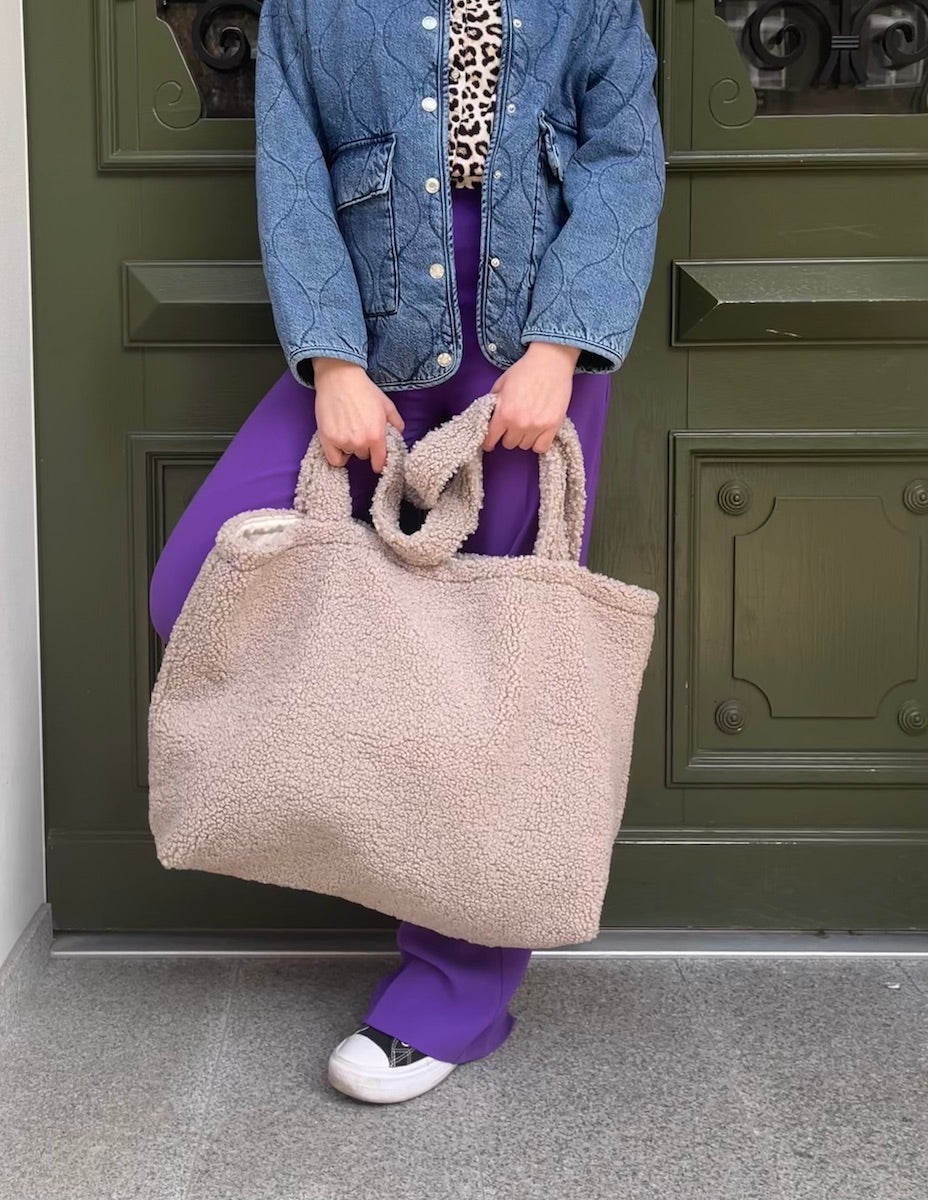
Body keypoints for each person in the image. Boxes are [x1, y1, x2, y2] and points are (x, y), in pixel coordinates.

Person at [148, 0, 665, 1105]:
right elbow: (291, 173)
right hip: (369, 329)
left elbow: (624, 156)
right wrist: (331, 363)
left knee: (499, 671)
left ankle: (451, 999)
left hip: (536, 345)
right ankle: (362, 828)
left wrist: (558, 351)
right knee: (201, 584)